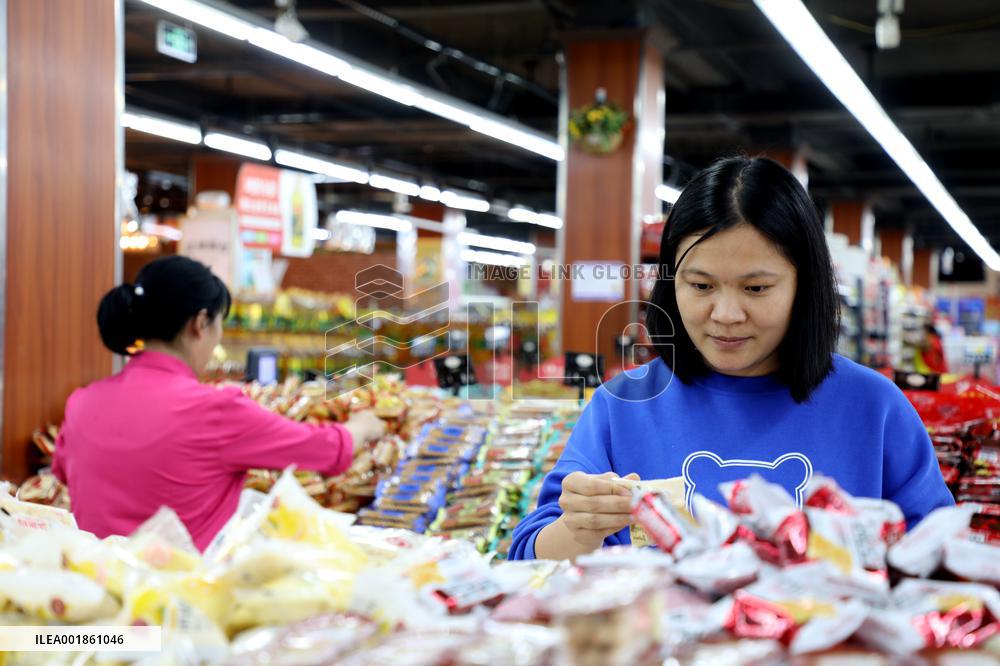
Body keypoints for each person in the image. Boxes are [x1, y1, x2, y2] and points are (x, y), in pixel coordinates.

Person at [510, 157, 954, 561]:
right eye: (701, 286)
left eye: (756, 288)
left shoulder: (874, 408)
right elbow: (528, 559)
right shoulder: (622, 404)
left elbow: (941, 556)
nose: (725, 315)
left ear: (805, 286)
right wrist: (578, 527)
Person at [51, 256, 386, 551]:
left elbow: (64, 471)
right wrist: (363, 426)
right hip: (176, 602)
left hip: (94, 597)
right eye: (218, 324)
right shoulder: (216, 410)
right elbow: (323, 450)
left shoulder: (82, 402)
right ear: (200, 324)